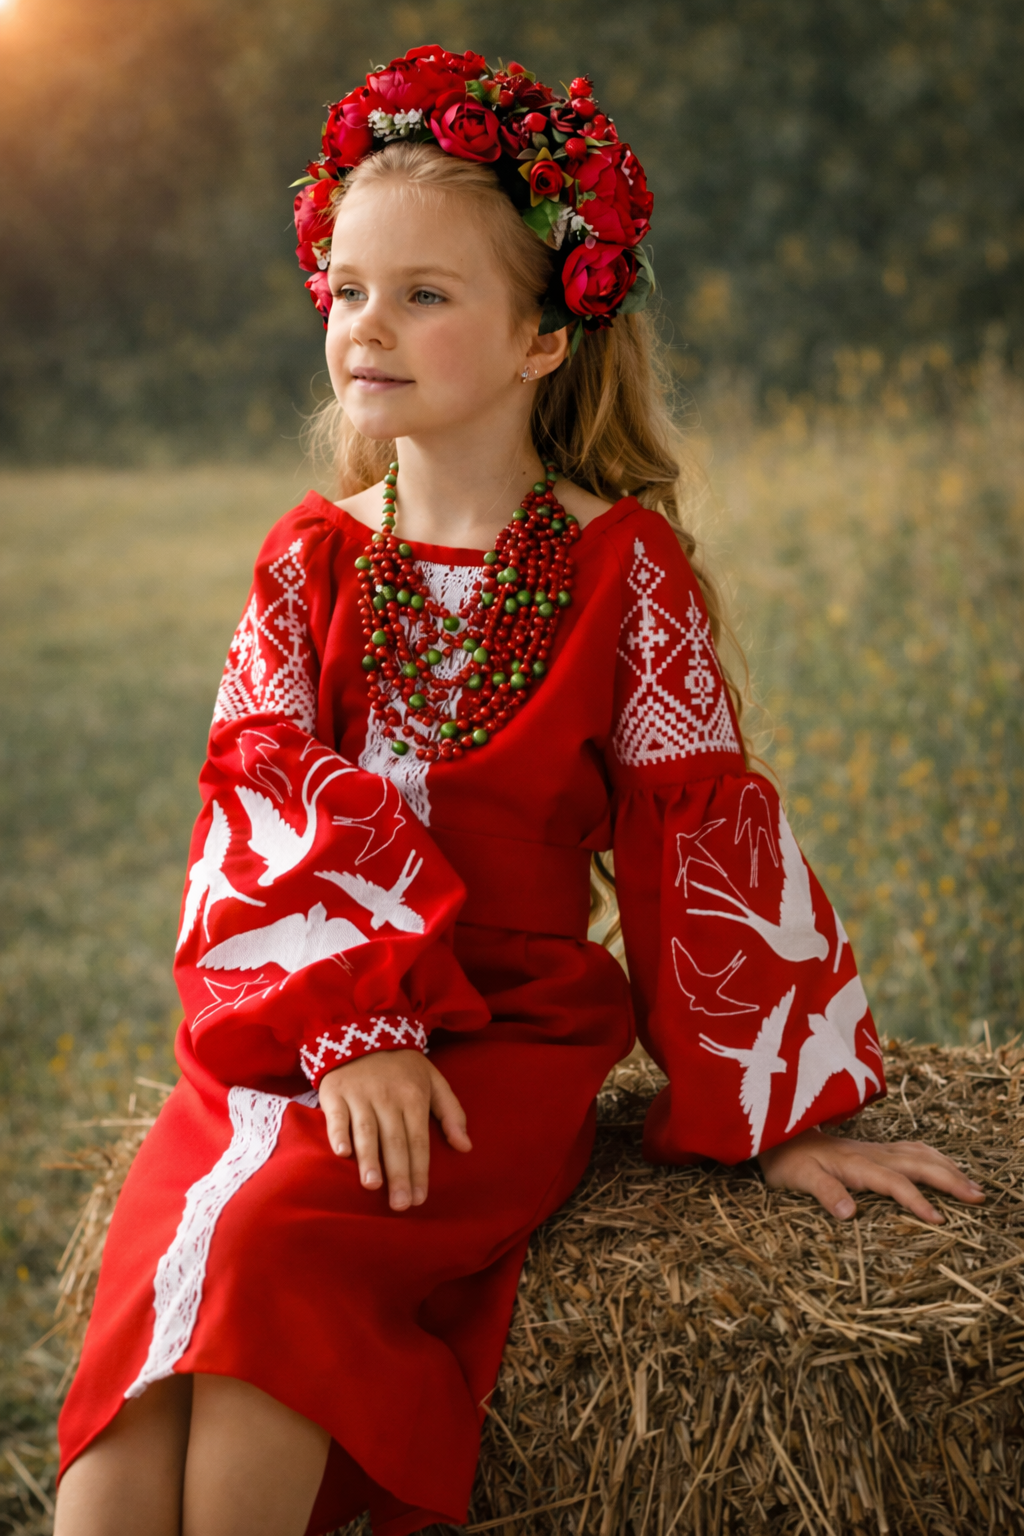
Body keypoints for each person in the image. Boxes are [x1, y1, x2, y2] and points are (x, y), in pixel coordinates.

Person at [54, 45, 985, 1536]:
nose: (369, 325)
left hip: (500, 1032)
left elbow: (695, 839)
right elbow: (255, 807)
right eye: (348, 288)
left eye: (425, 294)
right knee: (157, 1319)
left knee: (279, 1256)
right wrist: (348, 1026)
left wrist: (783, 1111)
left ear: (546, 336)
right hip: (292, 1014)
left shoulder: (624, 570)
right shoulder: (309, 557)